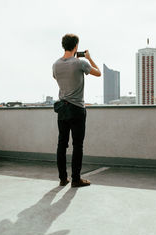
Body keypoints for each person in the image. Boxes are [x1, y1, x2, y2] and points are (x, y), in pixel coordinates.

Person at [52, 34, 101, 187]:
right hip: (77, 109)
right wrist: (89, 58)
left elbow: (58, 79)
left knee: (62, 144)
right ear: (76, 46)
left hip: (62, 108)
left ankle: (62, 178)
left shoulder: (55, 65)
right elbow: (98, 73)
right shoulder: (80, 63)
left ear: (63, 45)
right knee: (77, 145)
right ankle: (76, 179)